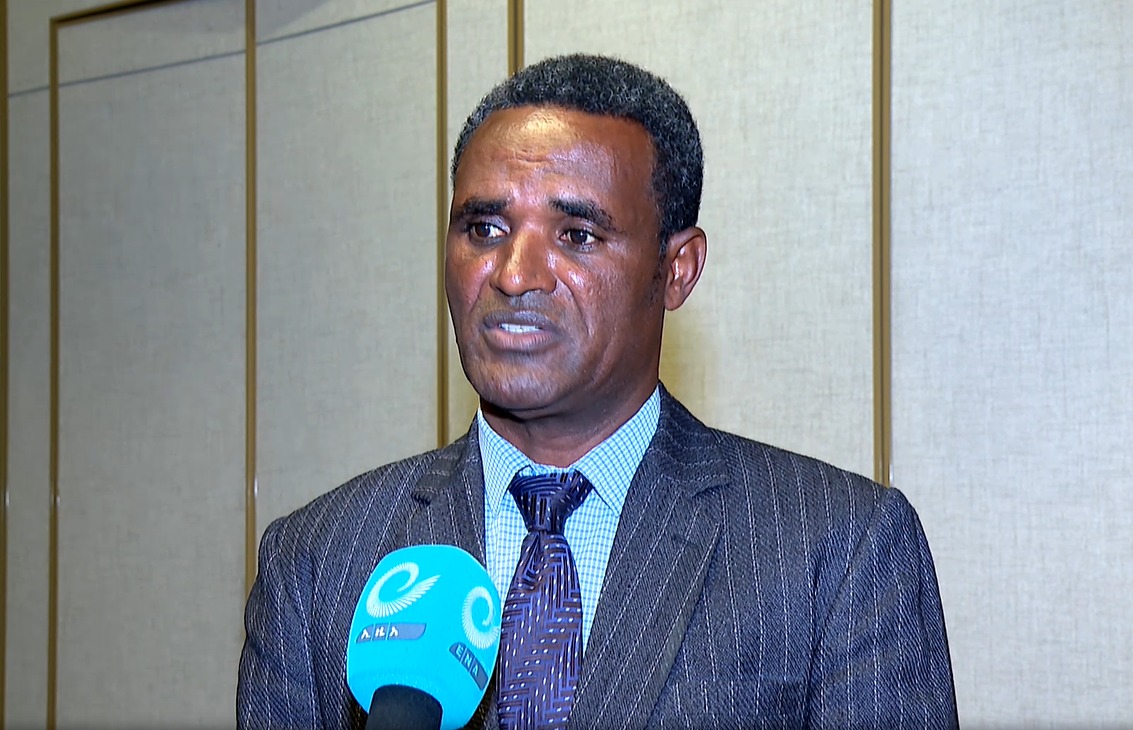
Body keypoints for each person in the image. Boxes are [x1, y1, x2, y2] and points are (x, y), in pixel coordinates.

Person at [237, 53, 957, 729]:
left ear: (677, 269)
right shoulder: (317, 561)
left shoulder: (838, 546)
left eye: (577, 235)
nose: (514, 274)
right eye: (484, 227)